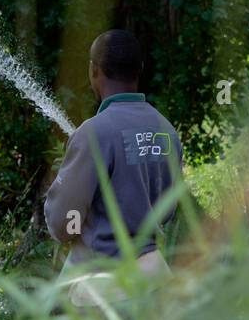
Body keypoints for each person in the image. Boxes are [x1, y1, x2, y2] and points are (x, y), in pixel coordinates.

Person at [44, 30, 182, 303]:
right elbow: (168, 210)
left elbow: (63, 223)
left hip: (106, 289)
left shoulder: (93, 133)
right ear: (139, 70)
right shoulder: (167, 131)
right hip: (156, 279)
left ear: (94, 70)